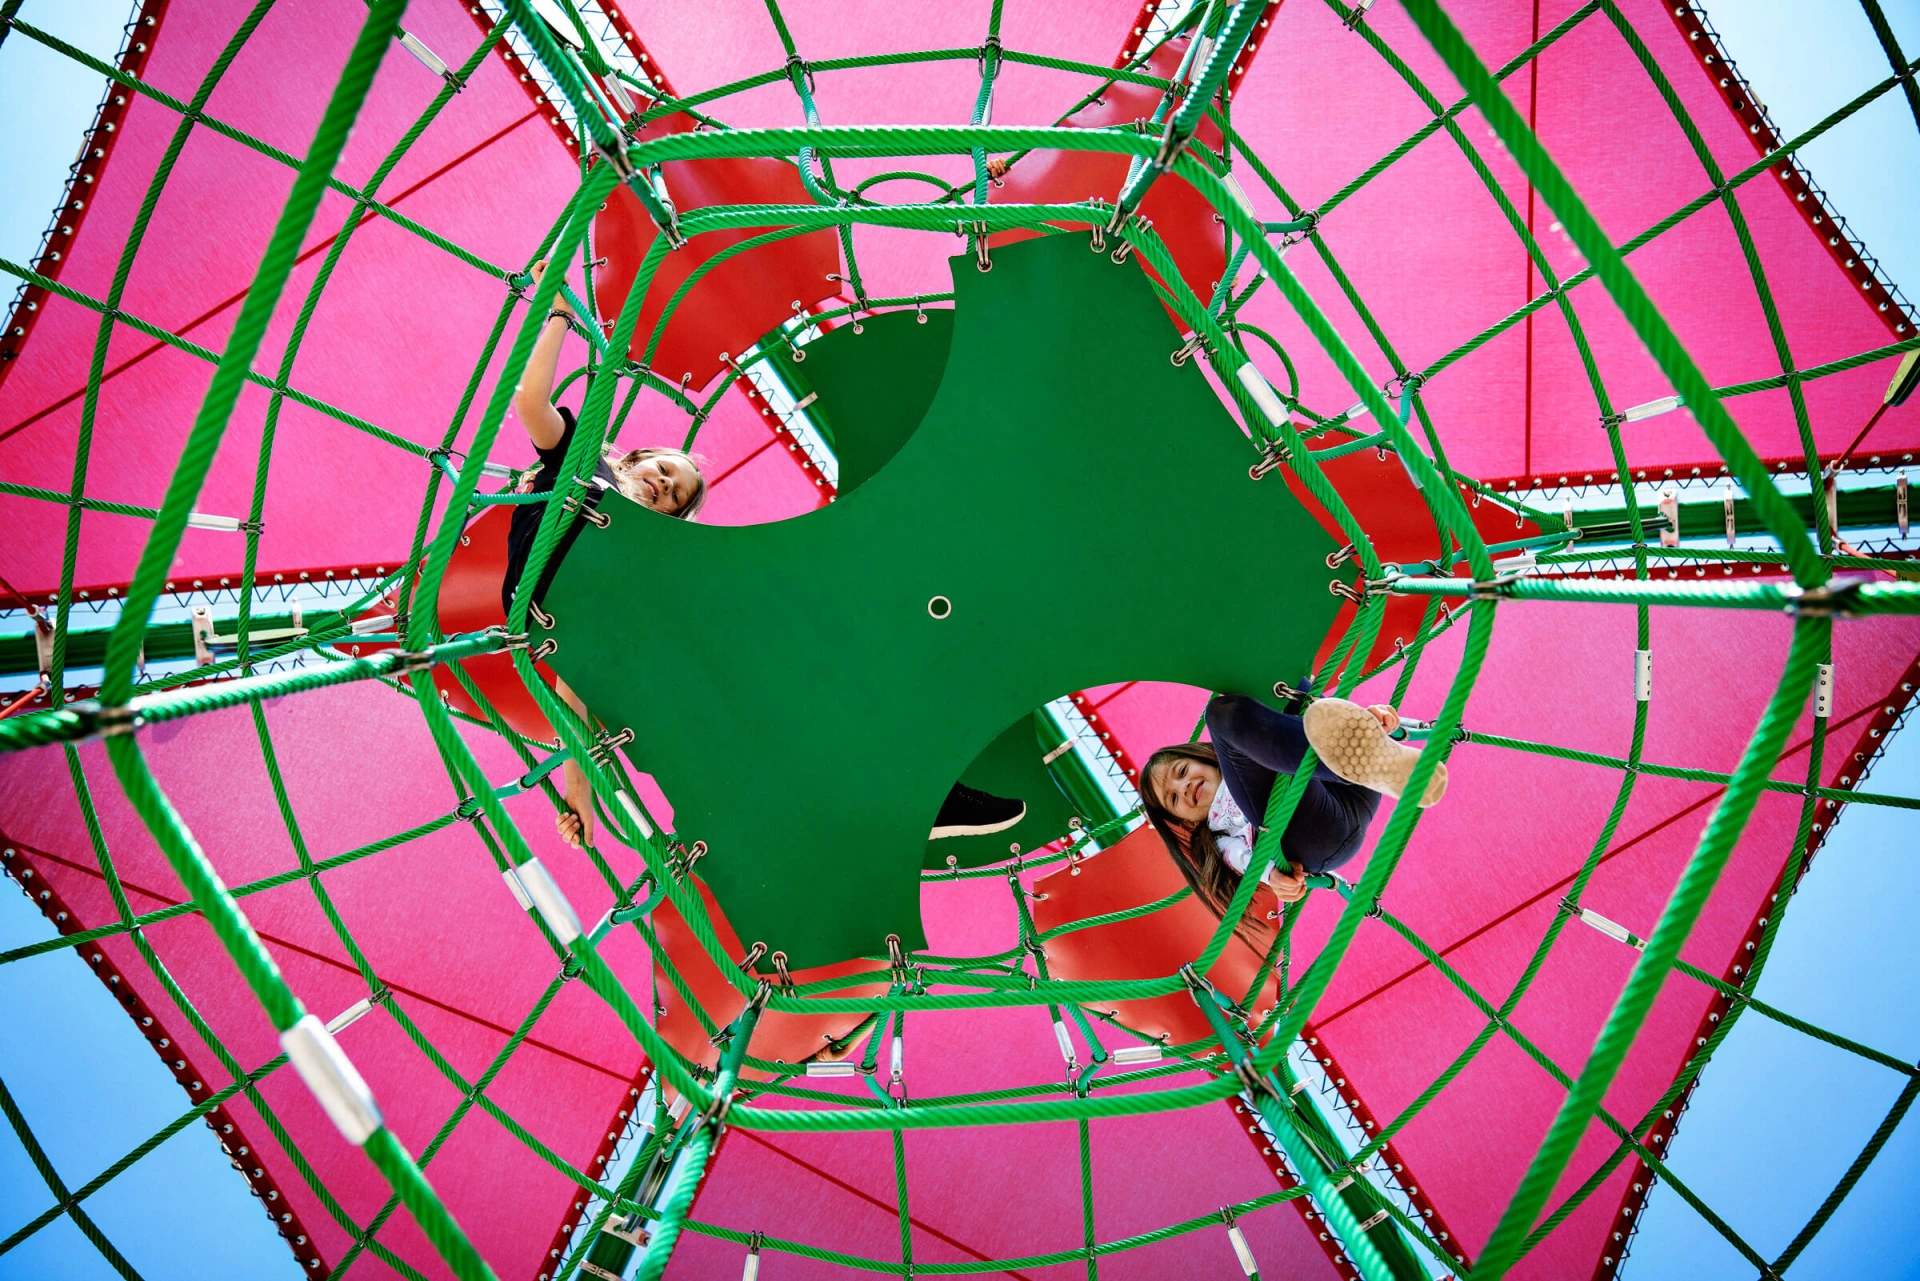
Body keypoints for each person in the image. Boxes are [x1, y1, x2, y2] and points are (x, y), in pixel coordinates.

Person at [508, 261, 1024, 849]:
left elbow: (579, 680)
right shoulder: (582, 468)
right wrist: (554, 312)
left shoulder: (650, 569)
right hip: (558, 597)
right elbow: (530, 402)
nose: (663, 485)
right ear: (636, 457)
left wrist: (581, 790)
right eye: (663, 470)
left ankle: (910, 790)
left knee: (798, 668)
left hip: (619, 619)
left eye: (674, 496)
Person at [1139, 693, 1447, 927]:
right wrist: (1271, 875)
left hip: (1346, 789)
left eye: (1180, 772)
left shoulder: (1255, 750)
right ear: (1184, 821)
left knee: (1280, 698)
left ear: (1200, 757)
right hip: (1309, 834)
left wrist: (1366, 719)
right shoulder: (1219, 833)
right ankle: (1358, 752)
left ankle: (1371, 740)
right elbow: (1242, 860)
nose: (1184, 788)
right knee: (1222, 715)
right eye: (1173, 799)